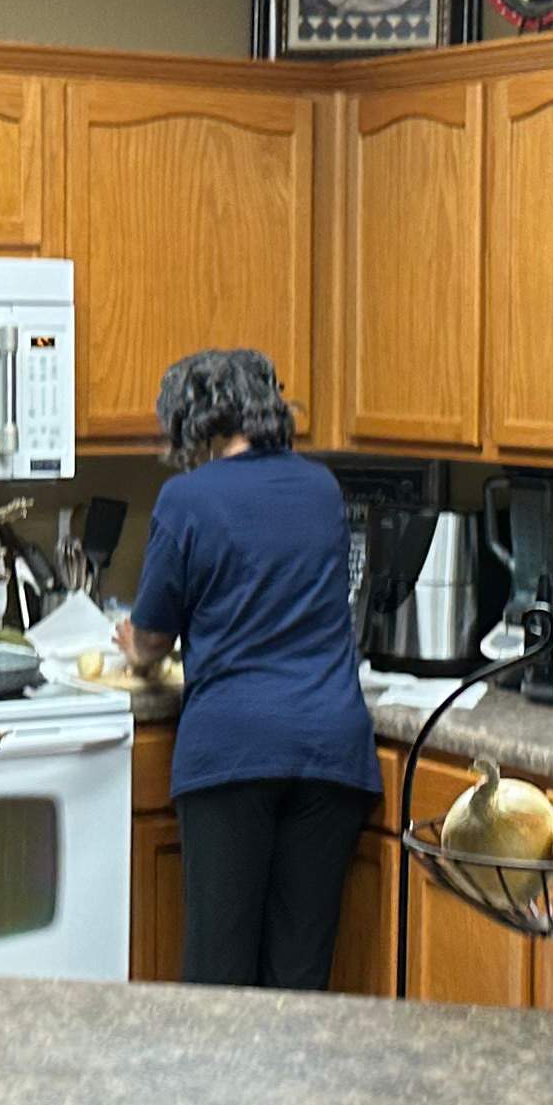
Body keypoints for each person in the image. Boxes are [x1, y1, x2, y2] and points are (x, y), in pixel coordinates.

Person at [121, 348, 373, 990]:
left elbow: (152, 638)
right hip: (330, 754)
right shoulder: (322, 488)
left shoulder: (186, 499)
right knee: (299, 974)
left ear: (193, 422)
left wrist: (131, 643)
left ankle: (216, 1097)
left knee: (219, 977)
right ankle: (293, 1094)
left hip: (233, 753)